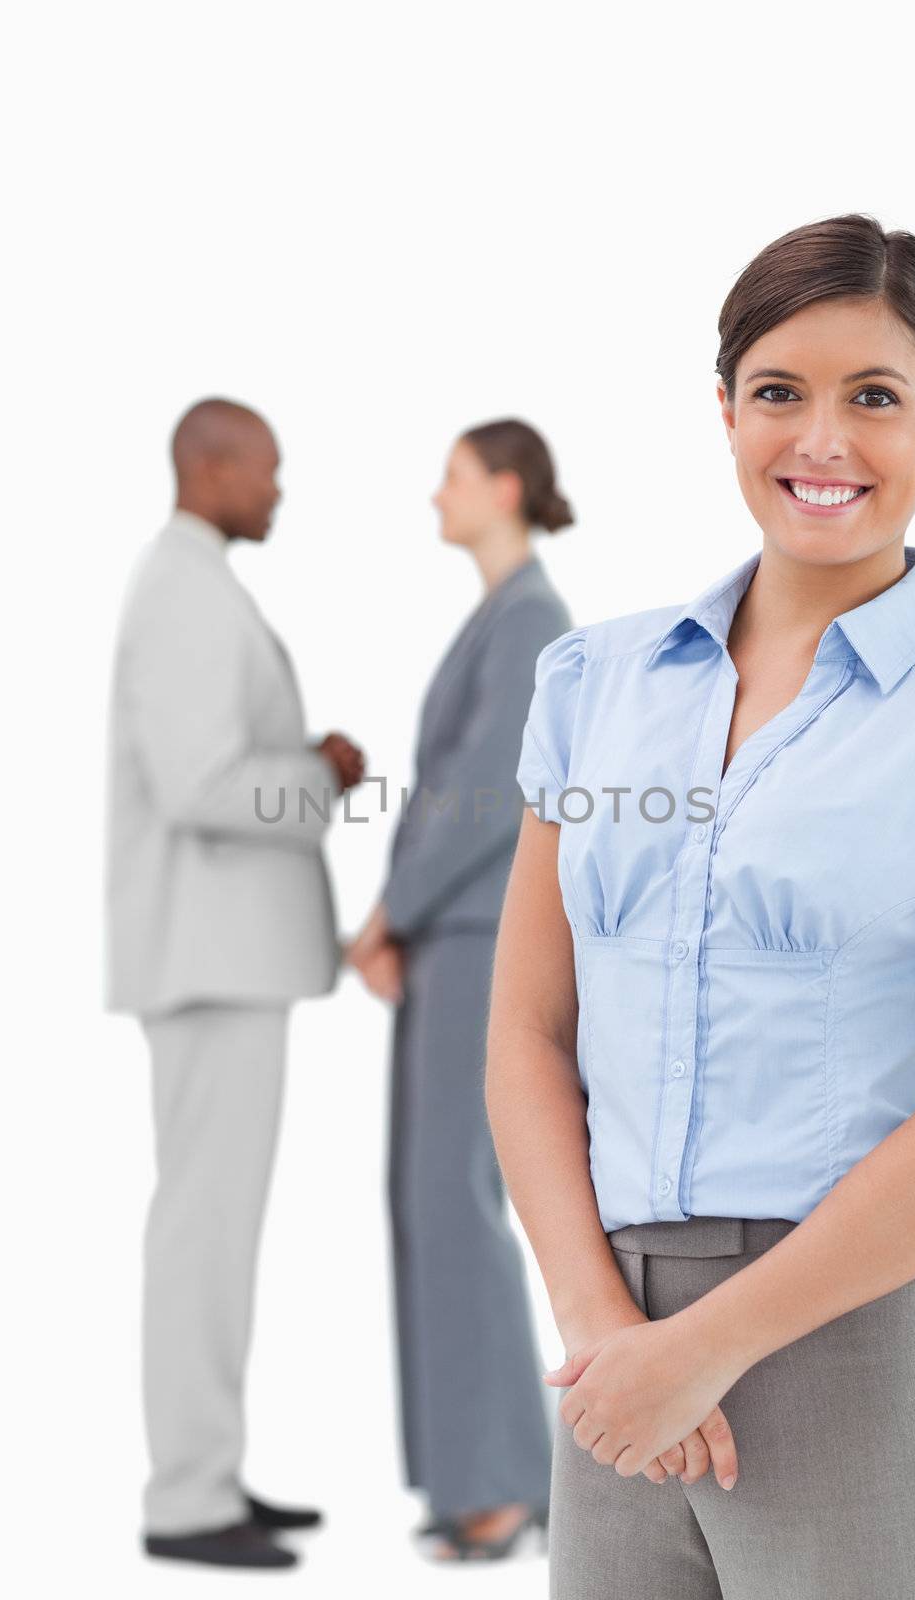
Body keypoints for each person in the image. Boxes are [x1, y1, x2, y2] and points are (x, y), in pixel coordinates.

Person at [487, 214, 915, 1599]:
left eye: (875, 398)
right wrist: (609, 1331)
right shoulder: (591, 684)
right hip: (610, 1350)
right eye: (778, 391)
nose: (820, 441)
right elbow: (529, 1038)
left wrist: (707, 1346)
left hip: (856, 1335)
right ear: (723, 406)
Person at [105, 397, 365, 1569]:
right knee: (202, 1233)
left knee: (212, 1230)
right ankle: (187, 1498)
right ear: (208, 467)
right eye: (264, 470)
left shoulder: (194, 583)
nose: (276, 490)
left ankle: (208, 1471)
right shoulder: (184, 590)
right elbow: (200, 782)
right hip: (210, 961)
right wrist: (317, 771)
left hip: (222, 960)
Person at [346, 419, 574, 1560]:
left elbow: (481, 796)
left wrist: (386, 914)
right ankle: (475, 1477)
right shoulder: (503, 616)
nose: (434, 494)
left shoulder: (530, 618)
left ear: (502, 486)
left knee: (454, 1197)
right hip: (454, 938)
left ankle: (499, 1484)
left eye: (449, 476)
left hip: (477, 937)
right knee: (433, 1199)